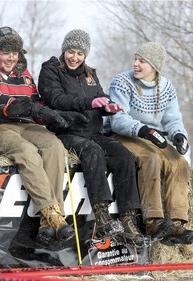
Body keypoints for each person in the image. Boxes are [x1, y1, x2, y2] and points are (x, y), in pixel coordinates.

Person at [0, 26, 75, 249]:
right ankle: (52, 213)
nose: (11, 58)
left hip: (25, 125)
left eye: (15, 53)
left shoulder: (23, 75)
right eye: (6, 52)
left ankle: (50, 221)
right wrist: (8, 109)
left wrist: (50, 114)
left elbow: (35, 104)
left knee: (54, 145)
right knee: (26, 151)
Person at [37, 29, 144, 244]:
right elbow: (57, 99)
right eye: (71, 51)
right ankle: (102, 215)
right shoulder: (50, 70)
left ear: (85, 55)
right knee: (92, 151)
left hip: (92, 132)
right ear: (64, 50)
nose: (74, 58)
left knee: (123, 155)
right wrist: (88, 103)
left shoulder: (89, 74)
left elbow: (99, 97)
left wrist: (109, 107)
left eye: (79, 54)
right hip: (65, 133)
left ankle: (127, 217)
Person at [107, 41, 193, 246]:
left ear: (155, 66)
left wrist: (179, 135)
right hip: (125, 135)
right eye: (135, 59)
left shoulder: (166, 87)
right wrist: (144, 130)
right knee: (151, 159)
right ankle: (153, 220)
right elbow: (118, 119)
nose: (136, 64)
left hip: (153, 137)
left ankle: (176, 223)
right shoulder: (121, 82)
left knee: (179, 162)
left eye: (142, 61)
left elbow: (173, 119)